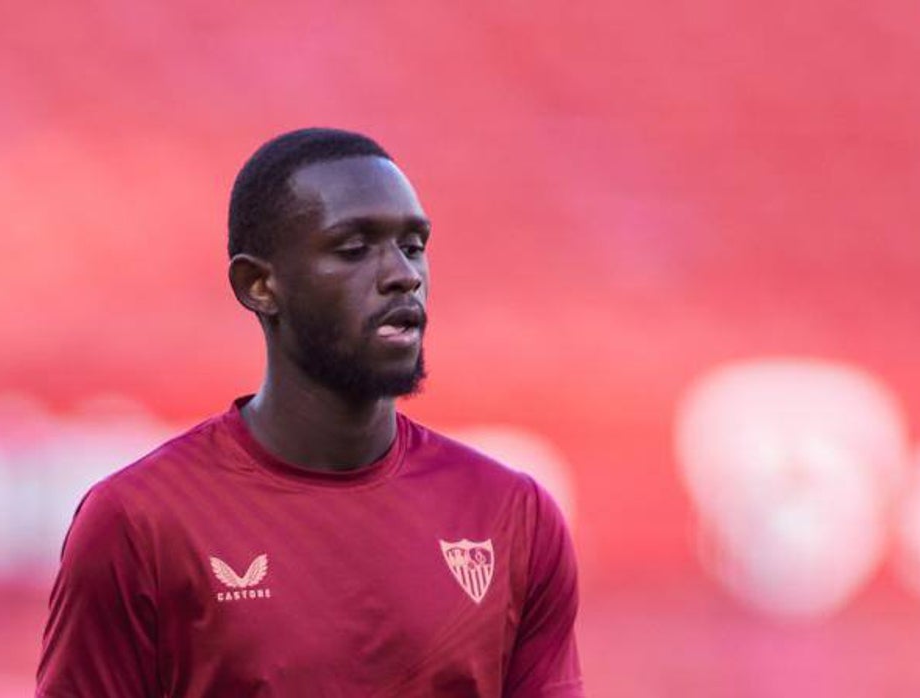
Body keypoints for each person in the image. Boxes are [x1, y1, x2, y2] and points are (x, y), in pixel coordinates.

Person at [36, 128, 584, 697]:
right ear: (260, 285)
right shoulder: (140, 523)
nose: (404, 274)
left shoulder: (511, 517)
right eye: (353, 249)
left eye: (414, 245)